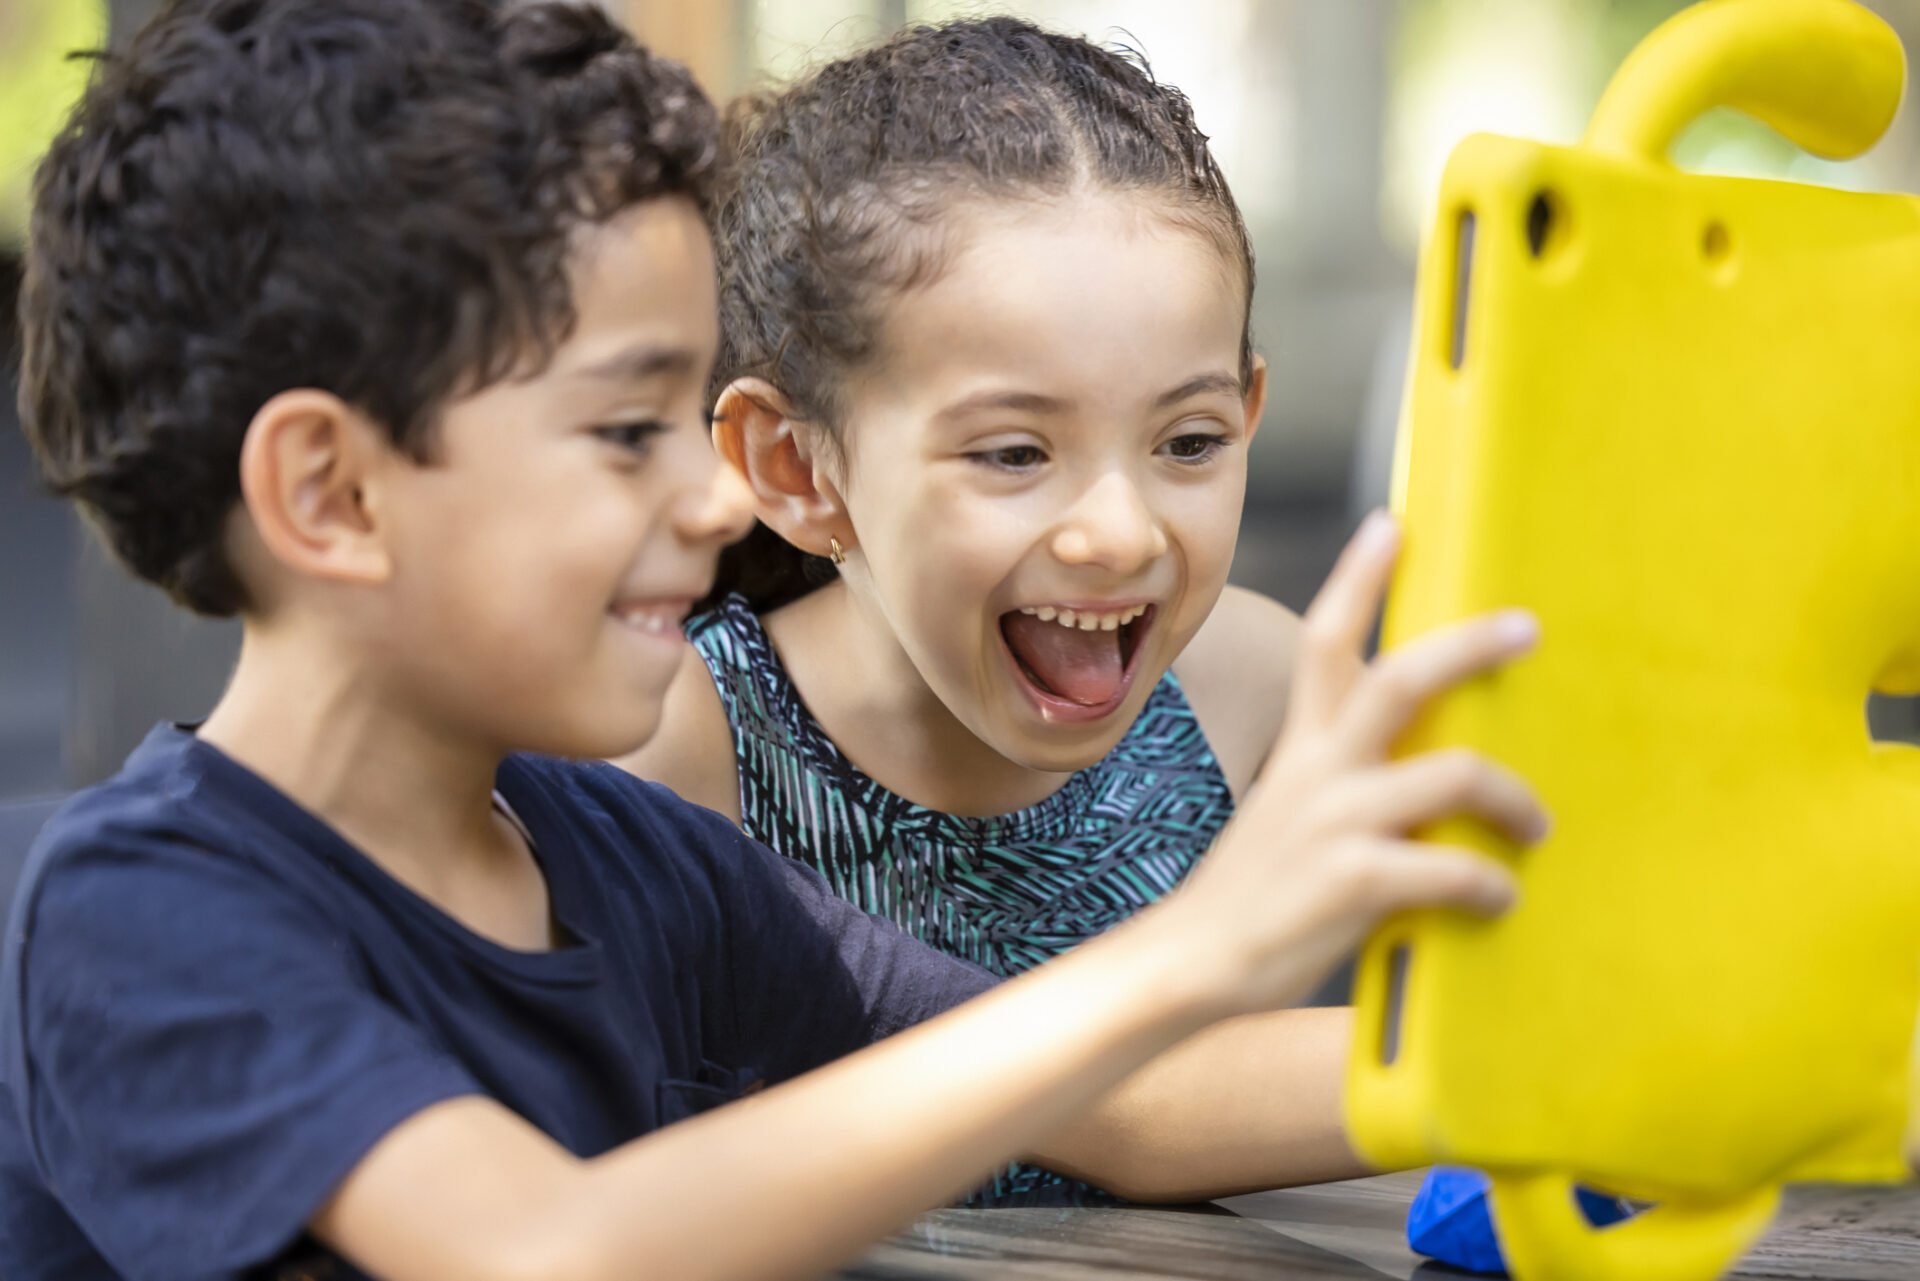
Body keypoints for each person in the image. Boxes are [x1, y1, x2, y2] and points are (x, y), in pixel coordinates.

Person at [0, 2, 1545, 1278]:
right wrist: (1211, 947)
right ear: (333, 493)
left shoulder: (627, 860)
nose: (715, 488)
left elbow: (1113, 1098)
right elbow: (544, 1255)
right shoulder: (142, 909)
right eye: (623, 428)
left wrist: (1629, 1052)